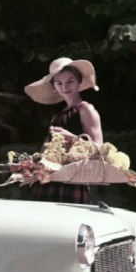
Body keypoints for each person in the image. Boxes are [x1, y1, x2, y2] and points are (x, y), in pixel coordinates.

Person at [23, 57, 103, 204]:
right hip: (49, 180)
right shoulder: (56, 117)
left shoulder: (86, 109)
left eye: (70, 81)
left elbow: (99, 149)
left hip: (73, 180)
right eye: (59, 83)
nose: (64, 86)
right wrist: (32, 163)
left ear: (79, 82)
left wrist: (72, 138)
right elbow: (45, 151)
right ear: (54, 87)